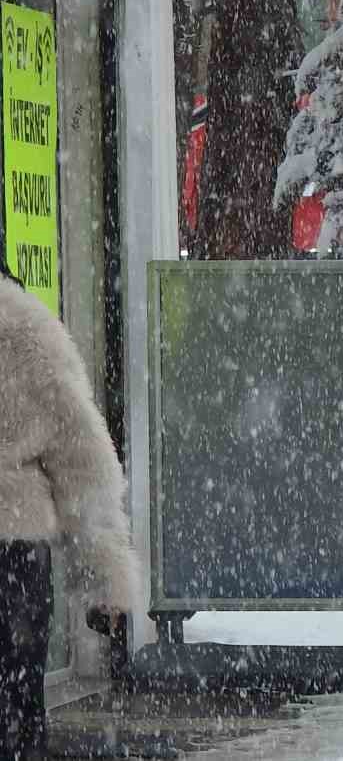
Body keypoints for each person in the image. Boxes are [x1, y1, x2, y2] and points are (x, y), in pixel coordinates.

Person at [0, 256, 139, 759]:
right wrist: (104, 581)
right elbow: (85, 464)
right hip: (13, 558)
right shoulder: (28, 331)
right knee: (15, 711)